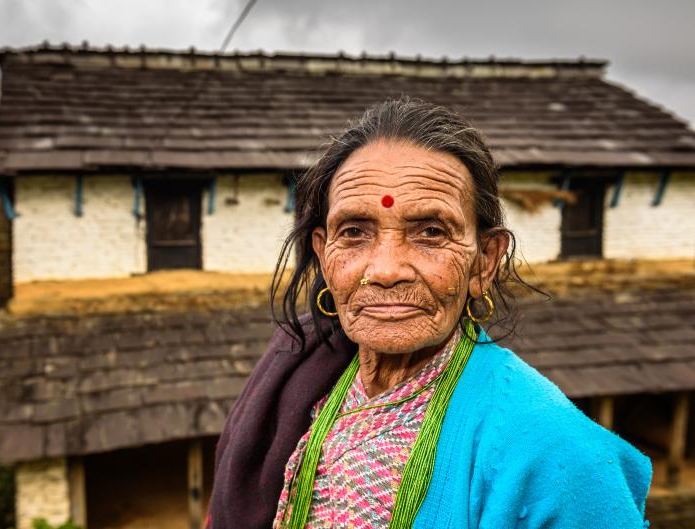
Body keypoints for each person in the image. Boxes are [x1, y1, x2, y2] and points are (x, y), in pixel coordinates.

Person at [206, 98, 651, 529]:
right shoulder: (301, 380)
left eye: (431, 232)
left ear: (484, 262)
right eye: (355, 231)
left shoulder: (558, 453)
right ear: (324, 255)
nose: (385, 270)